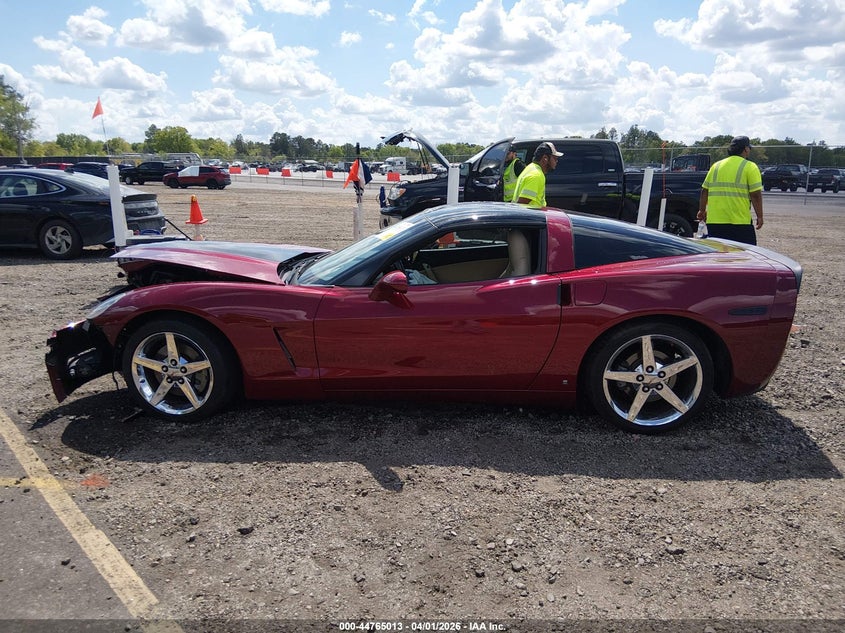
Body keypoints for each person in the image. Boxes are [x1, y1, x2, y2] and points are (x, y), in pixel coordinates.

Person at [697, 135, 764, 245]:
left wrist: (702, 210)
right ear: (746, 149)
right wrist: (760, 216)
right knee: (744, 256)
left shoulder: (716, 166)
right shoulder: (750, 167)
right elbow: (755, 194)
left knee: (719, 257)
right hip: (739, 222)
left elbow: (705, 190)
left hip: (715, 222)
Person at [512, 141, 563, 208]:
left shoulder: (530, 168)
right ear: (545, 158)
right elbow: (522, 204)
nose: (556, 161)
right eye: (555, 158)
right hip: (530, 217)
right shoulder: (536, 175)